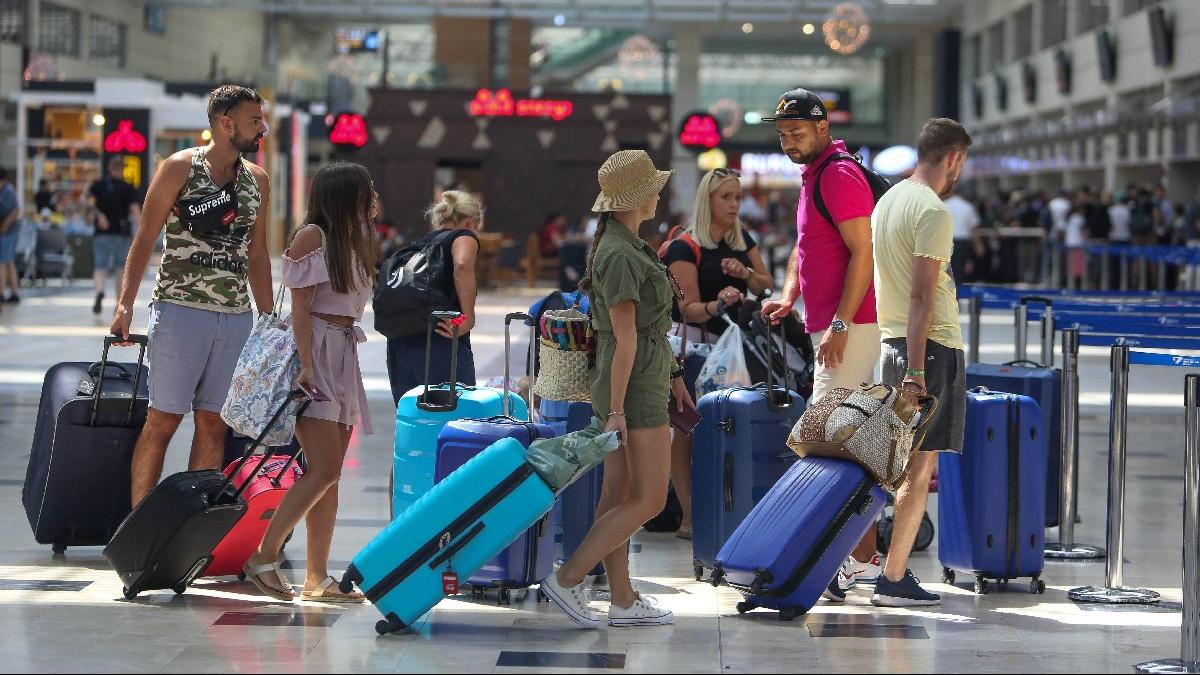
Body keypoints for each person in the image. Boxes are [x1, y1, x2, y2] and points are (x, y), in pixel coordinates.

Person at [541, 149, 692, 629]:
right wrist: (619, 411)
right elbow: (625, 339)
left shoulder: (625, 244)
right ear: (639, 197)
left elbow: (640, 335)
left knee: (618, 493)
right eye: (654, 188)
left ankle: (622, 597)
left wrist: (673, 375)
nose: (660, 195)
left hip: (638, 373)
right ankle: (567, 578)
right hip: (632, 382)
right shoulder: (621, 253)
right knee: (648, 499)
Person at [110, 85, 273, 507]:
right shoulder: (180, 168)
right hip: (180, 311)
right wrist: (125, 302)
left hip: (235, 318)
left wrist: (269, 319)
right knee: (162, 421)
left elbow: (257, 254)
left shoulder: (257, 180)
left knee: (214, 424)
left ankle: (188, 529)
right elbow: (145, 237)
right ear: (225, 123)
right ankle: (140, 529)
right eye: (254, 120)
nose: (263, 128)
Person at [760, 88, 883, 600]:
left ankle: (853, 558)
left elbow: (864, 251)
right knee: (846, 438)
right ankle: (863, 559)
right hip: (831, 325)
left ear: (823, 127)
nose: (789, 140)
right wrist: (790, 296)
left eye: (798, 131)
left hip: (851, 328)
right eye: (783, 133)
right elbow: (809, 249)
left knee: (830, 438)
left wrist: (842, 323)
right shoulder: (814, 175)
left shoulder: (838, 174)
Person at [243, 162, 377, 603]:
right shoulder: (313, 238)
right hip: (314, 351)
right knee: (323, 468)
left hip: (342, 352)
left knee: (330, 476)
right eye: (365, 190)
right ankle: (264, 555)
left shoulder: (353, 240)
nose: (373, 197)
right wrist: (305, 363)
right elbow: (300, 308)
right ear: (346, 195)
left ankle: (317, 576)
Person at [870, 117, 971, 607]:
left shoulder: (888, 201)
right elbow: (922, 297)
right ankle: (892, 578)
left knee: (891, 463)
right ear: (953, 157)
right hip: (927, 350)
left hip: (893, 343)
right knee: (917, 468)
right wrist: (916, 370)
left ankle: (873, 566)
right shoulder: (933, 211)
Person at [663, 167, 773, 540]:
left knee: (734, 426)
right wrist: (717, 303)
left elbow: (766, 283)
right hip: (697, 349)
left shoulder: (743, 242)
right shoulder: (686, 247)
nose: (734, 204)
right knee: (690, 430)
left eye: (738, 197)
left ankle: (728, 506)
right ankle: (690, 515)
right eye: (726, 197)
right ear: (707, 201)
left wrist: (744, 274)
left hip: (739, 351)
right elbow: (685, 308)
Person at [384, 190, 481, 405]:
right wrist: (467, 318)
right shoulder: (464, 235)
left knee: (415, 423)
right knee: (452, 423)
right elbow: (463, 265)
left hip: (401, 348)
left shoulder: (417, 246)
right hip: (442, 339)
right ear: (472, 221)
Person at [89, 156, 143, 314]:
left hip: (101, 233)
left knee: (100, 266)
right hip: (121, 233)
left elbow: (86, 202)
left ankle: (99, 290)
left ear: (109, 168)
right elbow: (135, 211)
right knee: (120, 268)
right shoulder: (128, 187)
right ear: (122, 169)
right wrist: (142, 231)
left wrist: (99, 215)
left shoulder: (98, 185)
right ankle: (118, 304)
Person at [944, 187, 980, 283]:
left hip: (946, 241)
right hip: (962, 242)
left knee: (945, 270)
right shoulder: (968, 206)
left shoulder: (944, 205)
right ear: (963, 194)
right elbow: (973, 229)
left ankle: (945, 295)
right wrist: (978, 245)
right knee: (959, 269)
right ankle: (957, 294)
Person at [0, 168, 19, 306]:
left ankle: (2, 292)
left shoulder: (7, 191)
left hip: (8, 232)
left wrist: (5, 226)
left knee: (3, 261)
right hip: (7, 231)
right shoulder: (6, 190)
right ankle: (13, 292)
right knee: (8, 262)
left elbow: (16, 210)